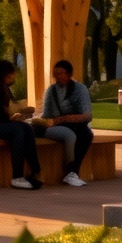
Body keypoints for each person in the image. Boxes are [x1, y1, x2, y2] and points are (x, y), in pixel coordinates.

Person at [0, 59, 41, 190]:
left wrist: (12, 118)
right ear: (7, 74)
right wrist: (10, 119)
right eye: (12, 73)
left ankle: (35, 170)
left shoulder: (3, 87)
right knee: (18, 131)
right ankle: (17, 176)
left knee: (27, 128)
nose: (13, 76)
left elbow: (2, 112)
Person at [36, 58, 93, 187]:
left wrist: (64, 119)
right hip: (58, 125)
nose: (57, 77)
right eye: (55, 74)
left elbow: (87, 115)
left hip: (75, 124)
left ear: (69, 74)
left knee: (85, 134)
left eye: (61, 73)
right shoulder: (51, 90)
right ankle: (72, 171)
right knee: (73, 135)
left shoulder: (80, 89)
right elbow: (46, 114)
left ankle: (73, 172)